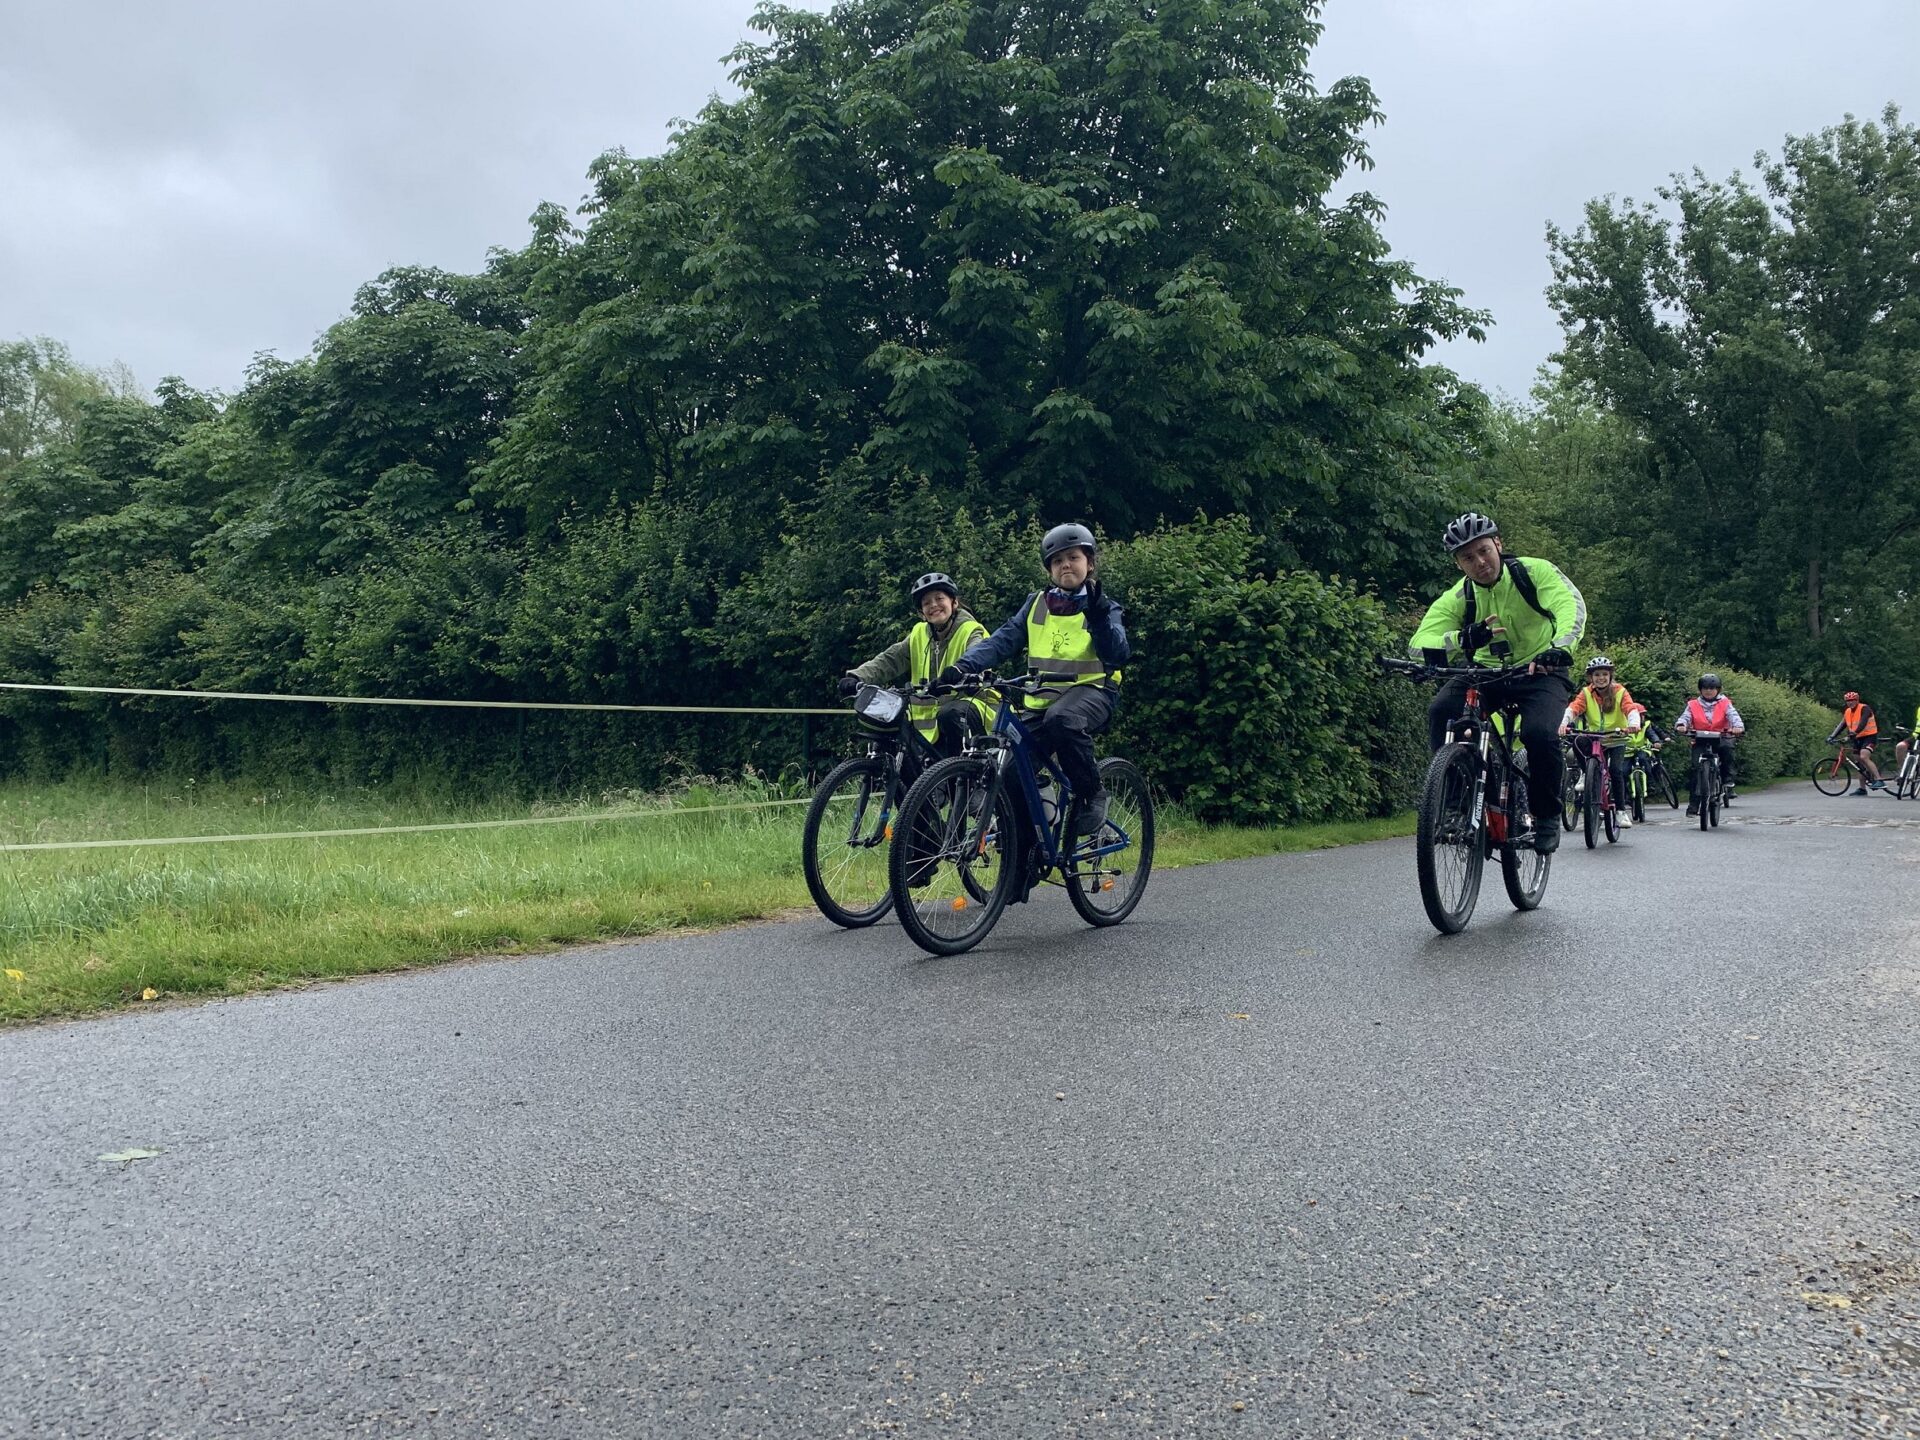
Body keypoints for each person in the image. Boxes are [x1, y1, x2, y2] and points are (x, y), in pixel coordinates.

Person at [1409, 511, 1587, 855]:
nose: (1479, 562)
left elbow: (1570, 607)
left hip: (1540, 669)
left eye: (1484, 551)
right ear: (1459, 564)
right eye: (1468, 557)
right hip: (1485, 672)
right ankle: (1457, 804)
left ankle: (1547, 815)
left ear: (1498, 545)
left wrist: (1560, 648)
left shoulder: (1534, 572)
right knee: (1442, 711)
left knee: (1539, 734)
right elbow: (1419, 643)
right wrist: (1461, 638)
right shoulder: (1460, 595)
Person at [942, 523, 1129, 834]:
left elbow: (1118, 653)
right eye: (1057, 560)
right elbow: (1002, 641)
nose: (1065, 565)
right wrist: (963, 667)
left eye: (1073, 557)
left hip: (1093, 692)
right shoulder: (1037, 604)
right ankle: (1026, 856)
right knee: (1010, 773)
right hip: (1042, 702)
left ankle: (1091, 794)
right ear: (1049, 569)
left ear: (1090, 563)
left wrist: (1098, 620)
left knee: (1062, 718)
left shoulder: (1103, 606)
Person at [840, 572, 993, 762]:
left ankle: (961, 776)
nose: (933, 605)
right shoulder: (919, 634)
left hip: (973, 710)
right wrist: (857, 676)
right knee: (887, 719)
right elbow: (890, 659)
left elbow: (977, 654)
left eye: (939, 598)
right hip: (929, 722)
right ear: (921, 612)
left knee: (950, 714)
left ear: (954, 602)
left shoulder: (971, 630)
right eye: (927, 603)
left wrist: (960, 671)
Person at [1558, 655, 1645, 827]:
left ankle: (1620, 812)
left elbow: (1630, 708)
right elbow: (1573, 709)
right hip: (1595, 738)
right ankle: (1586, 773)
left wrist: (1634, 724)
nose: (1601, 678)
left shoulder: (1620, 691)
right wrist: (1563, 723)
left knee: (1616, 771)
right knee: (1578, 741)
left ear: (1610, 676)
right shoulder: (1586, 693)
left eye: (1604, 674)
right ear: (1591, 677)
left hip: (1616, 738)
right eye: (1597, 675)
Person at [1672, 672, 1745, 814]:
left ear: (1718, 689)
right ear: (1700, 689)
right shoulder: (1693, 704)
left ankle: (1727, 780)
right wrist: (1681, 725)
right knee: (1695, 768)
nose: (1708, 691)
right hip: (1700, 738)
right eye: (1705, 688)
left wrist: (1737, 727)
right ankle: (1693, 805)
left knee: (1727, 748)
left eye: (1712, 688)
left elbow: (1733, 716)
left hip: (1721, 737)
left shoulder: (1725, 703)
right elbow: (1685, 717)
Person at [1828, 690, 1884, 795]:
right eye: (1848, 701)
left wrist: (1855, 732)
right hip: (1857, 738)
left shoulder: (1865, 708)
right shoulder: (1847, 712)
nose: (1850, 702)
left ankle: (1879, 780)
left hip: (1869, 736)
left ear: (1857, 700)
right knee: (1859, 763)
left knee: (1864, 756)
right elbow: (1842, 725)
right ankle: (1862, 789)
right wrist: (1832, 736)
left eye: (1852, 700)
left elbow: (1863, 722)